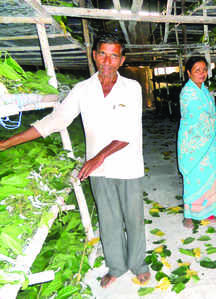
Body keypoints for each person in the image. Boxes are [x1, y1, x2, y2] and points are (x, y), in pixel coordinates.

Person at [0, 33, 150, 288]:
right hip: (99, 171)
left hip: (127, 165)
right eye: (102, 53)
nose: (107, 61)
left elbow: (129, 133)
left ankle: (138, 264)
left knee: (133, 217)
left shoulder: (132, 88)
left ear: (121, 60)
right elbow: (56, 120)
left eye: (114, 55)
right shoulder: (83, 89)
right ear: (94, 55)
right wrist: (6, 143)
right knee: (108, 218)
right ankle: (116, 266)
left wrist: (97, 158)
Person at [177, 56, 216, 229]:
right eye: (197, 70)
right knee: (194, 179)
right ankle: (189, 215)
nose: (202, 73)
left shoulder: (204, 90)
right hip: (193, 145)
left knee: (211, 177)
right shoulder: (187, 93)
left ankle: (209, 211)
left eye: (204, 69)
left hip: (210, 144)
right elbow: (198, 118)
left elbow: (209, 114)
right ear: (189, 72)